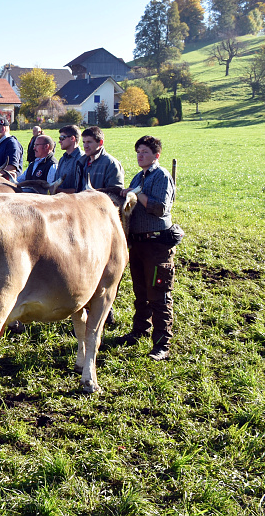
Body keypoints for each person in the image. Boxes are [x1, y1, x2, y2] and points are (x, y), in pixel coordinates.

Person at [119, 136, 178, 361]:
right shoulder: (139, 176)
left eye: (144, 151)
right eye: (138, 152)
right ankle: (139, 331)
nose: (140, 155)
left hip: (156, 245)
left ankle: (162, 345)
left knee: (159, 295)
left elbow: (160, 208)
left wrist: (136, 194)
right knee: (140, 292)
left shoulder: (161, 176)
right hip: (139, 244)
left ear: (156, 155)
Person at [76, 126, 124, 191]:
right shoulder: (81, 162)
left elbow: (116, 192)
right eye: (84, 142)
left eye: (89, 142)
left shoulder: (111, 164)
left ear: (100, 143)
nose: (85, 146)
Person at [54, 124, 83, 194]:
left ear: (72, 138)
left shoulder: (82, 159)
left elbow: (80, 190)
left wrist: (56, 190)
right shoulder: (62, 159)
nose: (59, 141)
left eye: (62, 138)